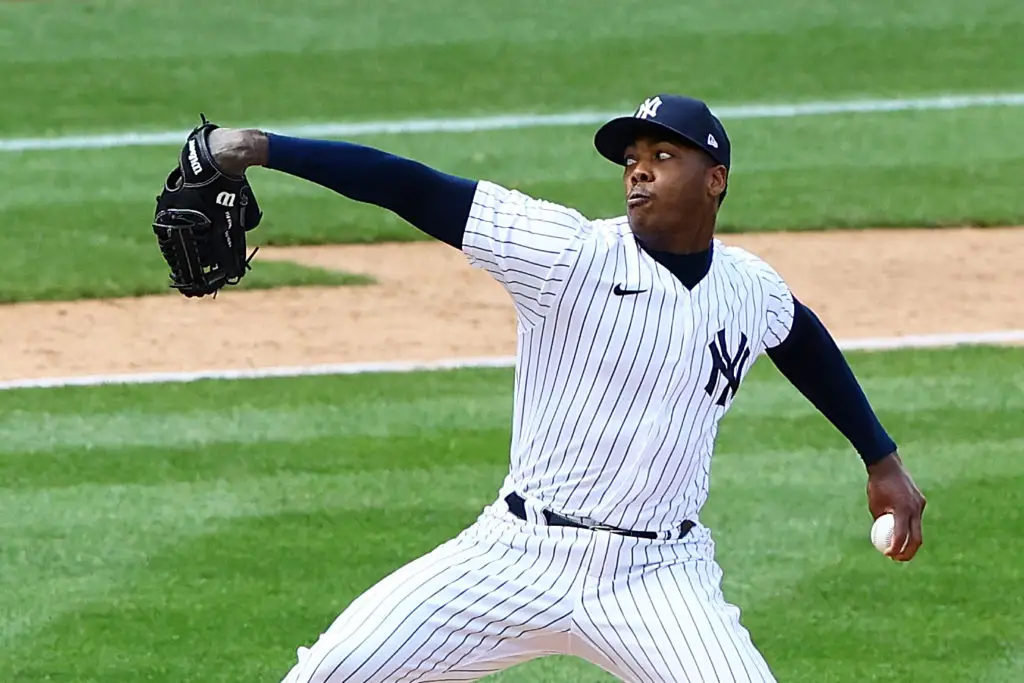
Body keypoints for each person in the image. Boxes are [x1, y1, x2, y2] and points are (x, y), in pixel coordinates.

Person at [204, 93, 926, 682]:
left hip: (659, 575)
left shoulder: (749, 286)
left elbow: (800, 335)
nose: (638, 172)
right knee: (328, 674)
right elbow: (412, 186)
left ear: (716, 179)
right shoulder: (566, 252)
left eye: (663, 157)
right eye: (632, 160)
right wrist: (262, 147)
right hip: (514, 555)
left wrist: (881, 457)